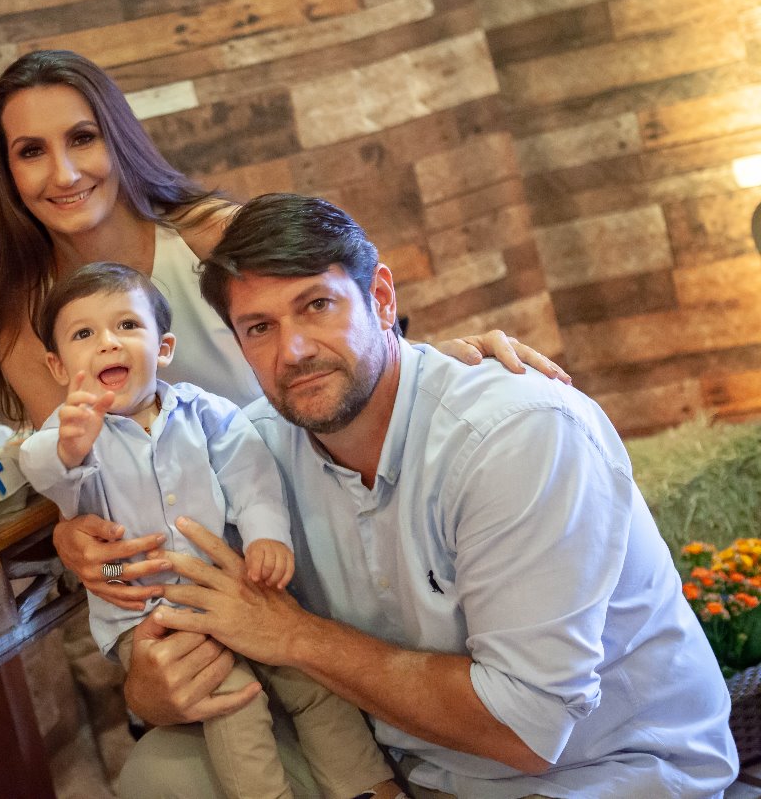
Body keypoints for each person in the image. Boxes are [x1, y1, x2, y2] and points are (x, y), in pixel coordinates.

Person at [67, 193, 736, 798]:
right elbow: (143, 534)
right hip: (405, 767)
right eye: (259, 328)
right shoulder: (252, 446)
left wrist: (294, 635)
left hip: (598, 773)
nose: (293, 351)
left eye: (317, 305)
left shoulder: (517, 435)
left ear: (381, 299)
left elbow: (527, 730)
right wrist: (143, 675)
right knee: (161, 772)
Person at [0, 49, 568, 434]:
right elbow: (81, 478)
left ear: (117, 138)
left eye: (82, 138)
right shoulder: (22, 325)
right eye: (31, 152)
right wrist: (76, 537)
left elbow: (345, 335)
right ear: (8, 172)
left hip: (315, 484)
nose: (64, 174)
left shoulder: (210, 235)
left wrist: (442, 364)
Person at [20, 262, 402, 799]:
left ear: (163, 348)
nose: (108, 343)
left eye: (127, 325)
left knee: (311, 682)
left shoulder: (204, 412)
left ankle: (371, 788)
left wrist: (266, 537)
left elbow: (251, 475)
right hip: (153, 615)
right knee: (233, 700)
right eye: (84, 334)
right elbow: (41, 468)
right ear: (59, 367)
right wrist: (67, 446)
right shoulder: (71, 436)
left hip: (234, 592)